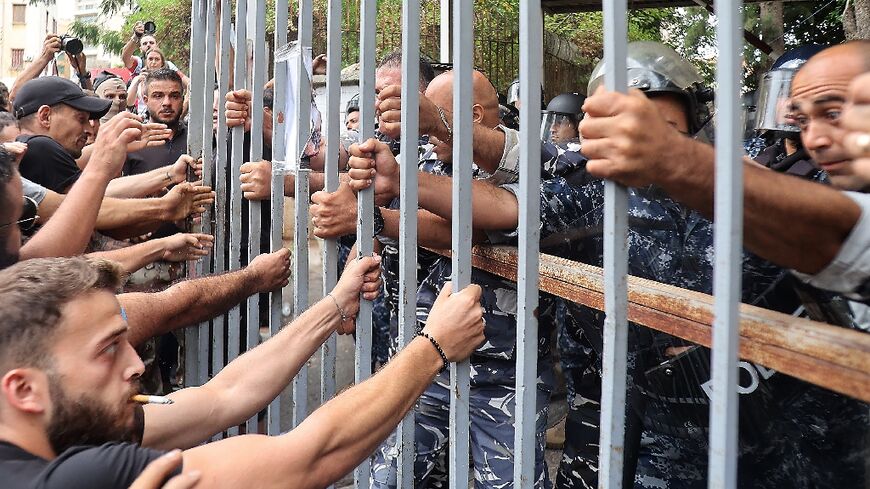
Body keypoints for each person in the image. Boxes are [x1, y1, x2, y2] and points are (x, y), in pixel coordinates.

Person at [0, 249, 484, 488]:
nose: (134, 365)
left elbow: (223, 396)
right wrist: (433, 346)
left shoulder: (66, 424)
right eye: (108, 349)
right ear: (24, 389)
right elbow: (306, 459)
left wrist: (335, 304)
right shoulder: (84, 475)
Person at [579, 40, 870, 300]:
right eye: (803, 119)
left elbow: (835, 233)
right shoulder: (757, 156)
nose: (814, 138)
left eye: (833, 113)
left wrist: (672, 156)